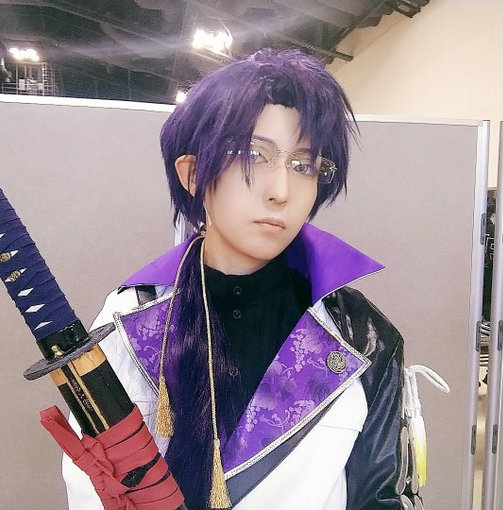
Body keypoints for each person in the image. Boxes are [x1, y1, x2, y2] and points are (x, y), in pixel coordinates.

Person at [62, 48, 422, 510]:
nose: (281, 191)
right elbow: (93, 486)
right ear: (193, 174)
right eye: (254, 155)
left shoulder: (360, 336)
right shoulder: (130, 319)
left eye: (304, 165)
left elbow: (378, 497)